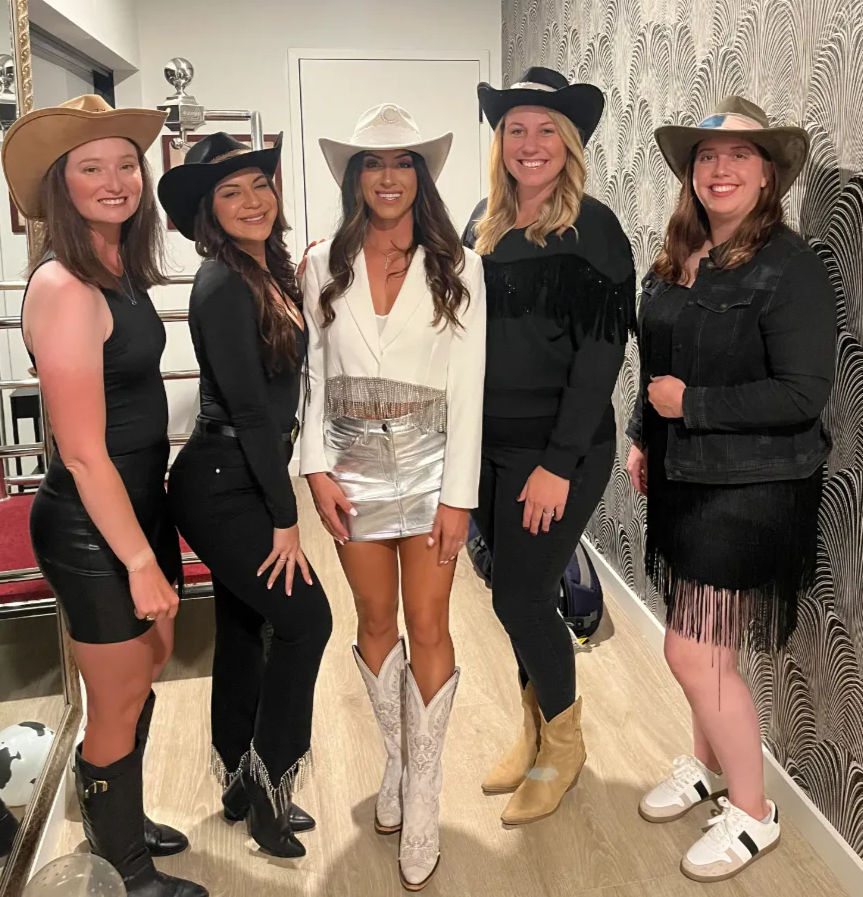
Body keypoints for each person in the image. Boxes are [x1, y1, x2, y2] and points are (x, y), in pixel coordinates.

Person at [625, 96, 836, 882]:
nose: (719, 168)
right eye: (706, 155)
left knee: (691, 650)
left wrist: (693, 408)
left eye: (738, 155)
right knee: (701, 638)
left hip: (751, 487)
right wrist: (646, 435)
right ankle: (707, 766)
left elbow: (802, 393)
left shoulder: (789, 265)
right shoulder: (681, 255)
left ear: (767, 174)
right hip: (685, 474)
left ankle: (752, 812)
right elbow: (658, 361)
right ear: (692, 171)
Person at [1, 96, 207, 897]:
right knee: (117, 693)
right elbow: (83, 454)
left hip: (134, 506)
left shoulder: (114, 266)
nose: (115, 180)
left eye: (126, 163)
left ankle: (119, 816)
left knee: (143, 665)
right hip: (92, 524)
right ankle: (123, 870)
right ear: (61, 183)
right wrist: (136, 561)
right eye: (91, 168)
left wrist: (149, 541)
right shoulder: (63, 285)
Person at [301, 103, 485, 890]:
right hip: (349, 464)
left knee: (428, 622)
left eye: (402, 162)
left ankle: (425, 790)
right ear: (354, 176)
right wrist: (313, 468)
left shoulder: (460, 265)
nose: (386, 176)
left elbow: (469, 388)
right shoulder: (319, 262)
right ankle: (397, 760)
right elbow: (313, 374)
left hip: (432, 458)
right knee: (373, 619)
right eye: (372, 163)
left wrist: (459, 496)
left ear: (420, 175)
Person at [463, 67, 635, 826]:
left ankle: (564, 744)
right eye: (515, 129)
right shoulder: (481, 222)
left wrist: (557, 464)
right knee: (512, 594)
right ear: (498, 141)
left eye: (545, 131)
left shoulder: (590, 227)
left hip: (558, 450)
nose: (529, 145)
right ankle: (533, 730)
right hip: (488, 446)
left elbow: (600, 360)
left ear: (568, 144)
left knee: (520, 595)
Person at [157, 133, 332, 859]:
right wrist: (286, 517)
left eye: (259, 182)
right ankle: (268, 786)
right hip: (223, 481)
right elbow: (253, 410)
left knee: (244, 626)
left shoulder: (268, 270)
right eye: (231, 192)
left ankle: (237, 776)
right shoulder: (223, 283)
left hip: (240, 475)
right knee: (306, 621)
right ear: (207, 212)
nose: (252, 199)